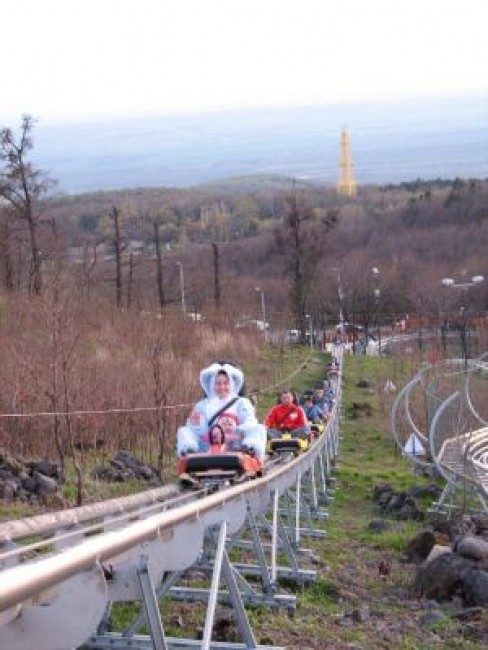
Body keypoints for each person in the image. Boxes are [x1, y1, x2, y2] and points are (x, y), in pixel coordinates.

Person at [176, 362, 267, 460]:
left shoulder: (242, 402)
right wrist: (197, 425)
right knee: (183, 431)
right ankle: (189, 453)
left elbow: (249, 422)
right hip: (210, 445)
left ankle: (250, 450)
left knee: (259, 428)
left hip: (237, 444)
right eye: (218, 383)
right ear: (212, 385)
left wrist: (233, 432)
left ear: (231, 384)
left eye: (225, 383)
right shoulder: (202, 405)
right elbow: (198, 432)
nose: (222, 387)